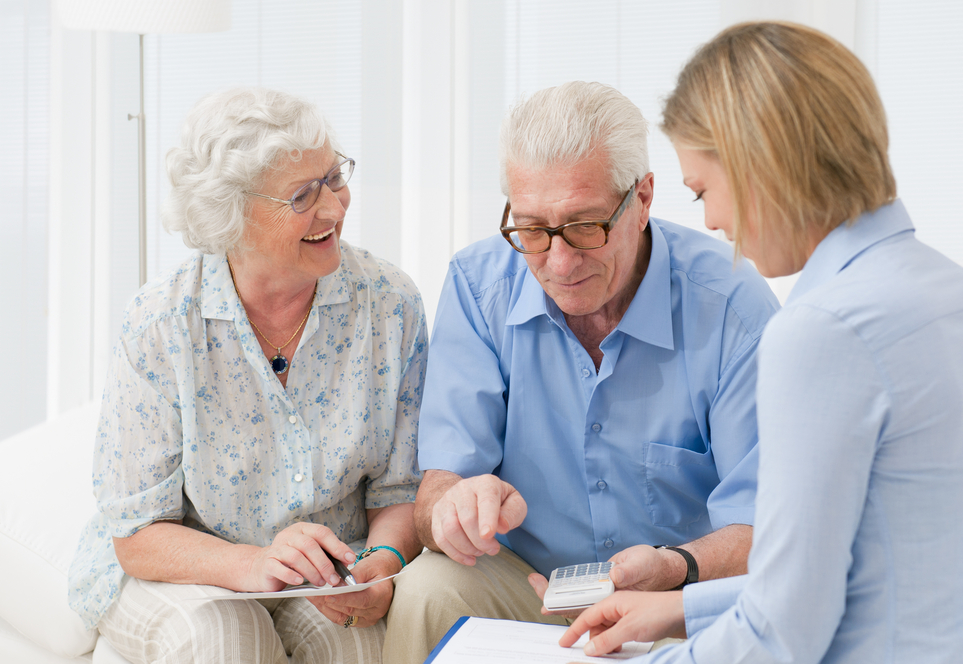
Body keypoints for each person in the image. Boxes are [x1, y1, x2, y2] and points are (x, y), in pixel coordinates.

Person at [560, 21, 963, 663]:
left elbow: (782, 632)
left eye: (704, 191)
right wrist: (682, 609)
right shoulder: (955, 291)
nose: (713, 222)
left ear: (759, 163)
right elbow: (856, 570)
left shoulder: (824, 329)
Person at [384, 81, 780, 664]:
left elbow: (766, 526)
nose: (560, 262)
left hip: (678, 597)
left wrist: (676, 567)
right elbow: (438, 490)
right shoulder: (478, 285)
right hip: (529, 588)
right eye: (532, 230)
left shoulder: (732, 306)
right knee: (427, 588)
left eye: (586, 226)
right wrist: (457, 509)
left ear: (642, 199)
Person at [68, 87, 427, 664]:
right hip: (183, 566)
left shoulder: (389, 304)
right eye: (303, 195)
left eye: (334, 178)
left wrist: (380, 564)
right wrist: (254, 564)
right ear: (229, 215)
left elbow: (399, 490)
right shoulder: (161, 323)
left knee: (359, 648)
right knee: (229, 643)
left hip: (327, 569)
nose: (334, 208)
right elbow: (138, 533)